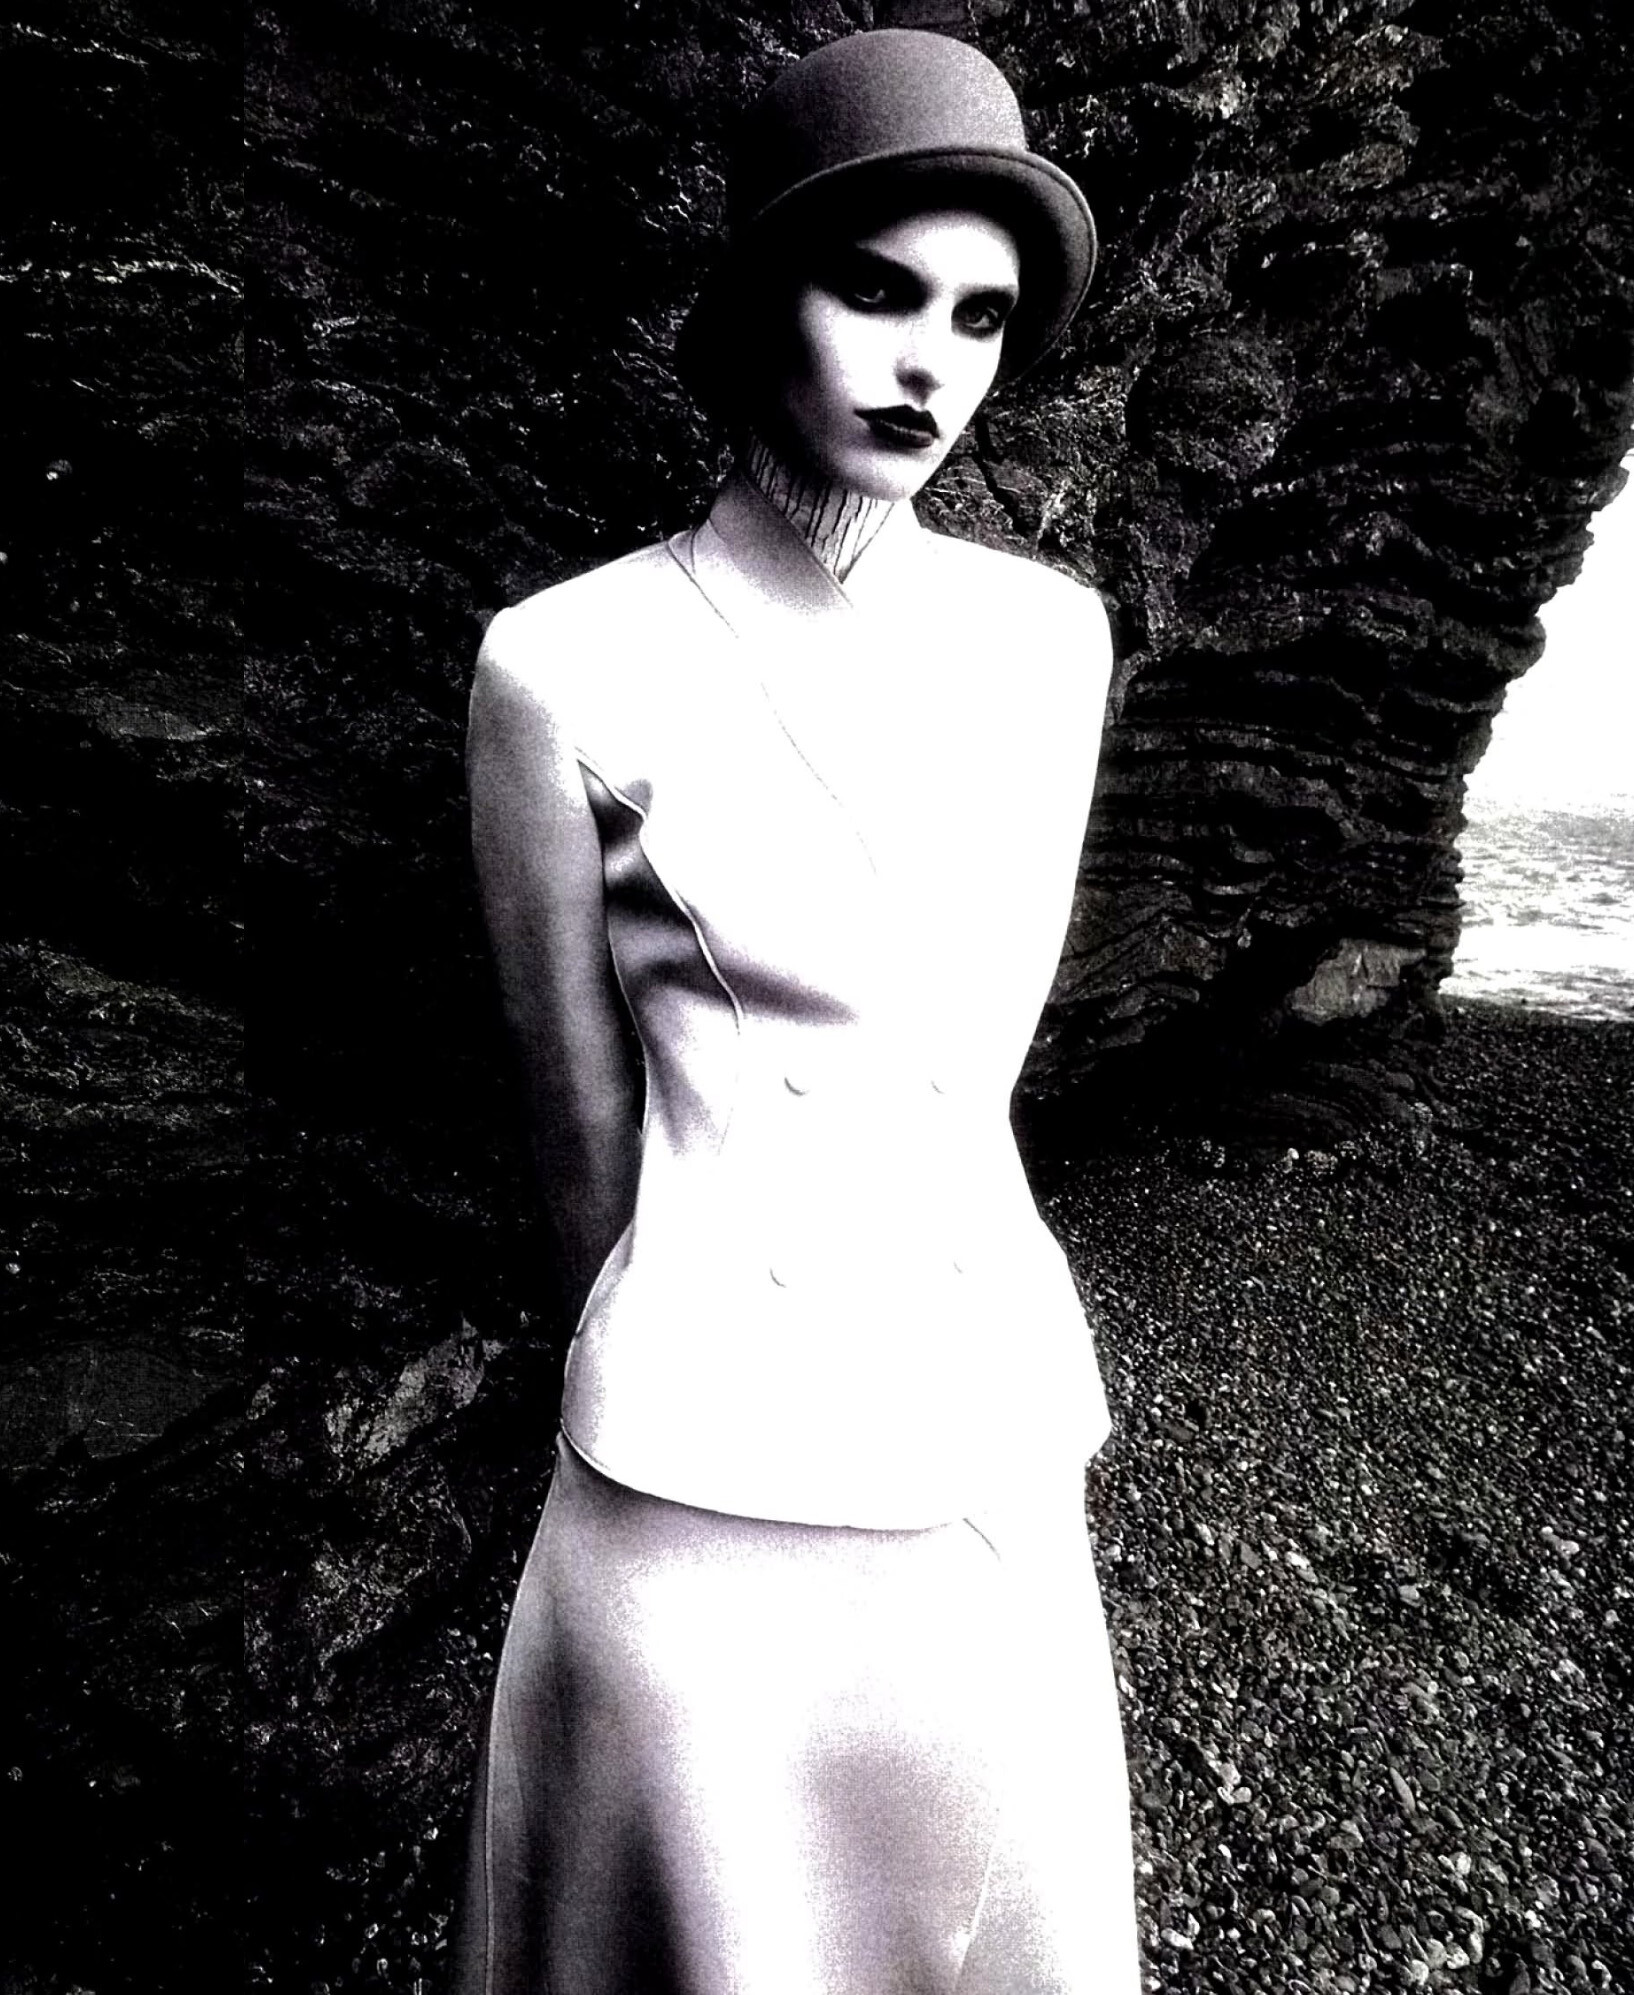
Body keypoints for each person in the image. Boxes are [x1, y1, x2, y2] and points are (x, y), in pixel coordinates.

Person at [450, 30, 1138, 1995]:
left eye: (979, 318)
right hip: (689, 1469)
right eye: (876, 292)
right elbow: (576, 1132)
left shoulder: (1049, 642)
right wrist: (690, 1336)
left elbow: (972, 1068)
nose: (930, 364)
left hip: (982, 1430)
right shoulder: (557, 664)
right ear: (762, 298)